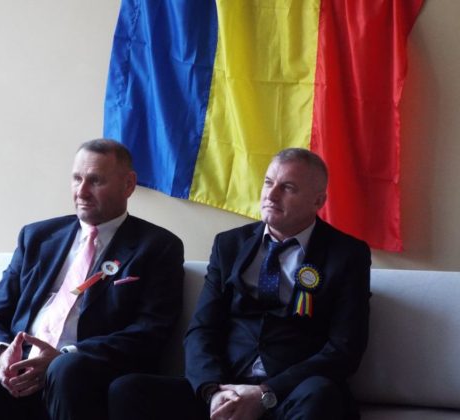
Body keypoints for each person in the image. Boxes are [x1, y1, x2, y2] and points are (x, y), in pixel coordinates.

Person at [0, 138, 184, 420]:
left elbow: (149, 332)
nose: (81, 191)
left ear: (128, 184)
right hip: (14, 374)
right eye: (76, 179)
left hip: (83, 377)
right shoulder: (37, 237)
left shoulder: (157, 246)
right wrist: (2, 353)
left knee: (66, 369)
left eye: (95, 181)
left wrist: (65, 355)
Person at [109, 148, 371, 420]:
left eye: (288, 187)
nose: (271, 195)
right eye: (268, 183)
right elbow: (202, 329)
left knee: (321, 395)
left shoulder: (347, 255)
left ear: (318, 200)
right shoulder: (229, 244)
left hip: (291, 394)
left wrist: (266, 393)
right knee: (128, 390)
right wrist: (213, 391)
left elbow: (344, 349)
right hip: (227, 387)